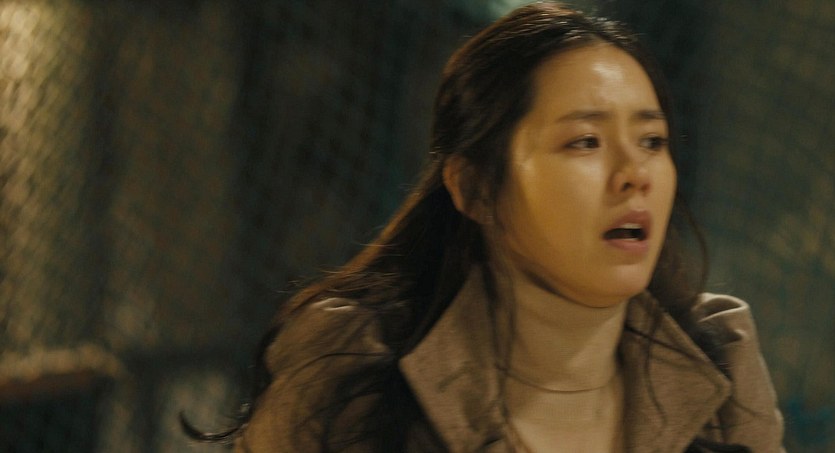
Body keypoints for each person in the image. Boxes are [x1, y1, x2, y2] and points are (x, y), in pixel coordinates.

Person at [188, 2, 784, 452]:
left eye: (652, 141)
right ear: (475, 189)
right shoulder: (353, 368)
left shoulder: (717, 361)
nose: (635, 175)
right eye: (585, 141)